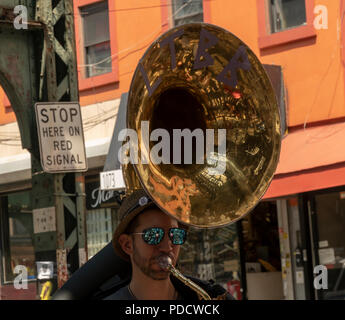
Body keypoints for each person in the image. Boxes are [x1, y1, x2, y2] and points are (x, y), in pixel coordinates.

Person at [104, 189, 234, 300]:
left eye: (175, 235)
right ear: (127, 245)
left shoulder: (212, 295)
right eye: (153, 235)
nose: (167, 247)